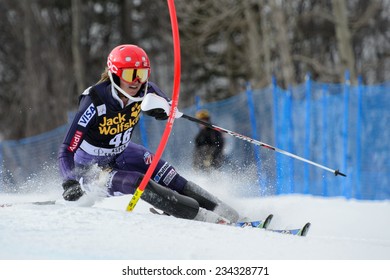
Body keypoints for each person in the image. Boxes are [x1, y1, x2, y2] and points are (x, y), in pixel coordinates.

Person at [58, 44, 239, 224]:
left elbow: (167, 106)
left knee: (170, 177)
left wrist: (166, 110)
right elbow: (67, 148)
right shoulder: (94, 100)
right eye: (130, 74)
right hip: (92, 169)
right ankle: (210, 220)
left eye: (142, 74)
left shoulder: (146, 90)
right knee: (139, 183)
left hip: (122, 153)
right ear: (115, 74)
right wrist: (69, 181)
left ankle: (232, 215)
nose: (137, 81)